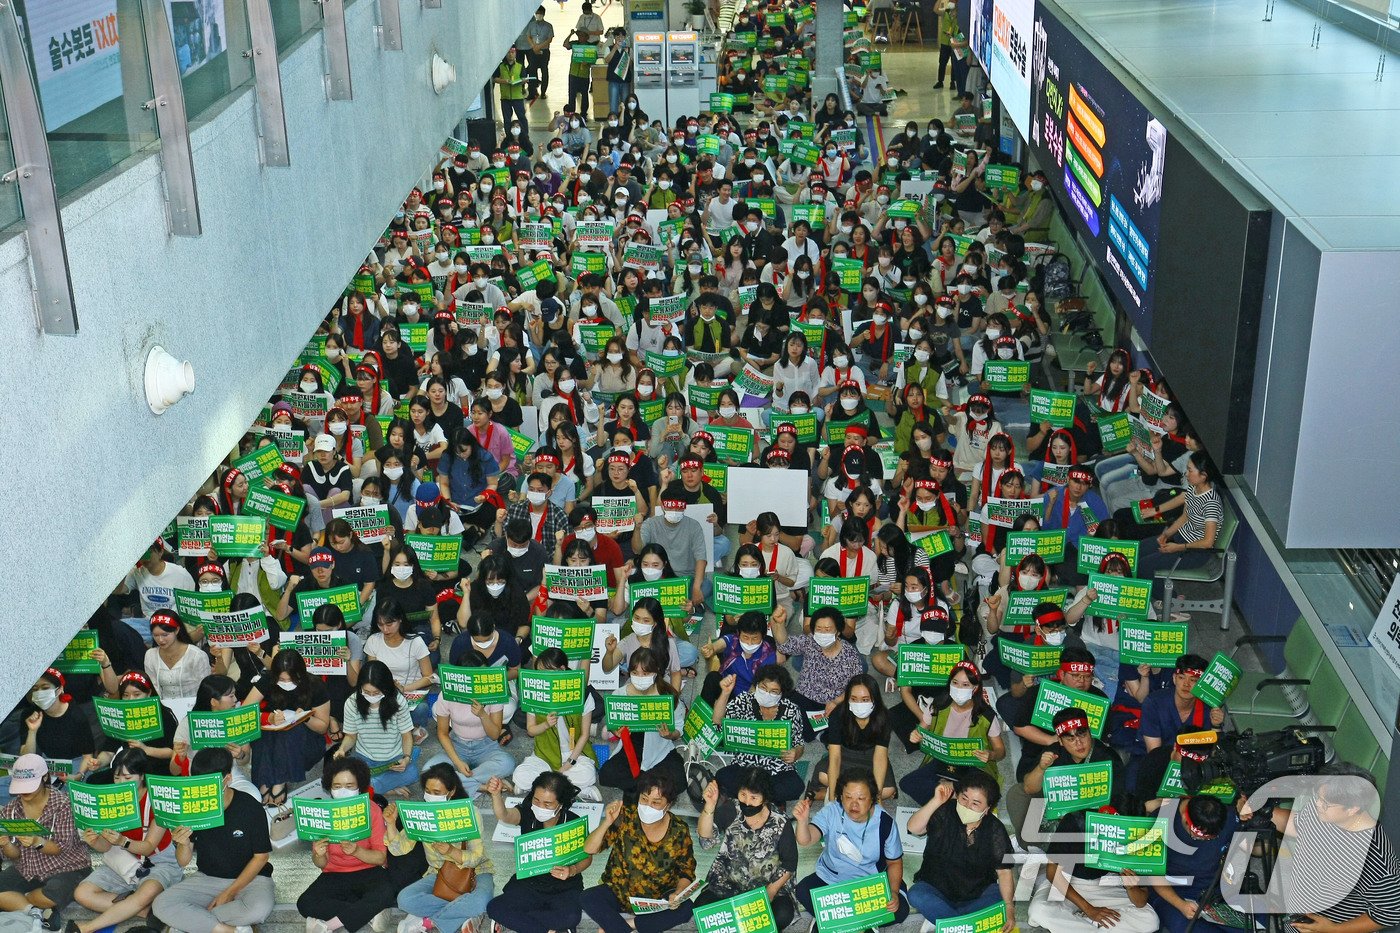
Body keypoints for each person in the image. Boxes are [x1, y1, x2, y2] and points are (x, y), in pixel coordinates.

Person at [1252, 762, 1400, 932]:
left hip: (1332, 925)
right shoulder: (1328, 815)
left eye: (1325, 803)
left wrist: (1332, 929)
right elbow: (1296, 824)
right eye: (1318, 798)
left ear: (1353, 808)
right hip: (1306, 910)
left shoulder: (1377, 864)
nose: (1317, 805)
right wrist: (1256, 807)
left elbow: (1389, 914)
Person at [153, 748, 275, 933]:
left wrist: (229, 893)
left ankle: (193, 921)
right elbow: (183, 861)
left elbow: (261, 857)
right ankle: (229, 930)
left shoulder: (249, 807)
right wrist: (183, 843)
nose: (202, 789)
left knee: (258, 909)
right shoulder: (192, 807)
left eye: (208, 784)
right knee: (161, 904)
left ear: (227, 779)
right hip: (208, 878)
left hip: (252, 879)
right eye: (198, 783)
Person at [71, 748, 185, 933]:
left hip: (159, 862)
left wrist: (123, 841)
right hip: (122, 860)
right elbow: (105, 846)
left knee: (145, 892)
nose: (121, 783)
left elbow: (148, 847)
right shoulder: (112, 800)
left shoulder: (156, 800)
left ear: (142, 776)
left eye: (127, 778)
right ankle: (144, 910)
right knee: (82, 893)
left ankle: (87, 928)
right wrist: (93, 841)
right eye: (117, 778)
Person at [581, 768, 698, 933]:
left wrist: (677, 894)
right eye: (644, 799)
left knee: (686, 908)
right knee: (588, 897)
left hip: (658, 898)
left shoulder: (679, 830)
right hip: (619, 892)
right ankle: (625, 928)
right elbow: (589, 848)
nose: (648, 806)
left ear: (668, 805)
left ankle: (626, 925)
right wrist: (606, 822)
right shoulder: (626, 817)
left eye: (656, 802)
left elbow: (686, 871)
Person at [792, 768, 910, 926]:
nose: (854, 804)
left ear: (873, 799)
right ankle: (861, 924)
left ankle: (838, 921)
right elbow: (805, 840)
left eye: (861, 798)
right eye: (848, 797)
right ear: (841, 796)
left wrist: (894, 892)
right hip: (832, 879)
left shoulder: (885, 823)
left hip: (868, 885)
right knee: (802, 891)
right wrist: (802, 821)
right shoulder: (831, 811)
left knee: (900, 910)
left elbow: (894, 862)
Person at [905, 770, 1016, 930]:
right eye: (964, 798)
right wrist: (936, 801)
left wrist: (1009, 908)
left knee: (1002, 898)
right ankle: (963, 923)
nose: (967, 806)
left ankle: (948, 922)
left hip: (976, 893)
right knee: (916, 894)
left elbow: (1004, 872)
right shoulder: (944, 811)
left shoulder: (995, 829)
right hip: (936, 887)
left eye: (975, 803)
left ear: (987, 808)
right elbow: (913, 828)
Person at [485, 771, 594, 933]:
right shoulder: (528, 812)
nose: (540, 807)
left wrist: (572, 870)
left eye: (548, 804)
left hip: (564, 887)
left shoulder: (573, 822)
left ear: (561, 803)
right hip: (530, 884)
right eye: (536, 800)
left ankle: (526, 923)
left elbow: (587, 858)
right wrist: (495, 795)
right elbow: (505, 816)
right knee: (495, 907)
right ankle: (549, 930)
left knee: (571, 917)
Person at [393, 764, 497, 933]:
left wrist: (451, 851)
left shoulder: (469, 812)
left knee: (481, 902)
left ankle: (428, 922)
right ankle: (464, 913)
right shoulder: (422, 814)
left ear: (451, 791)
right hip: (439, 874)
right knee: (405, 899)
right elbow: (399, 849)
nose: (430, 796)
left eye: (437, 793)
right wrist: (391, 824)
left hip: (476, 872)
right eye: (428, 791)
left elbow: (476, 857)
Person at [296, 757, 396, 933]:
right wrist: (319, 855)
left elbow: (380, 857)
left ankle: (330, 924)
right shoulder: (322, 812)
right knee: (304, 904)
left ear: (359, 786)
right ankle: (368, 912)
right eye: (337, 786)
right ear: (330, 787)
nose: (343, 790)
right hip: (334, 875)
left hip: (368, 871)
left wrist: (356, 850)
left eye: (350, 786)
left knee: (388, 891)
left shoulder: (371, 809)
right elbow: (322, 864)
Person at [697, 769, 800, 931]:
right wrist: (709, 807)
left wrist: (770, 892)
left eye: (754, 798)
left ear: (765, 798)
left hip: (766, 886)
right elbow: (706, 840)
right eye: (743, 794)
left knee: (782, 914)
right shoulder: (732, 809)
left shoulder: (780, 822)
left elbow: (789, 863)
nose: (747, 802)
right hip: (729, 882)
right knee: (702, 908)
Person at [1027, 807, 1160, 933]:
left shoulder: (1139, 836)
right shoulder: (1076, 821)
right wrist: (1089, 910)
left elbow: (1140, 901)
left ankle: (1080, 923)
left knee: (1150, 920)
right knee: (1038, 910)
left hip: (1105, 885)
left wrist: (1132, 888)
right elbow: (1053, 873)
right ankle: (1093, 923)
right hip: (1068, 882)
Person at [0, 755, 89, 925]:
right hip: (28, 867)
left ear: (45, 777)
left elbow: (60, 848)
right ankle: (34, 911)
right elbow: (14, 856)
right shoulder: (11, 810)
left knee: (55, 892)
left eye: (30, 785)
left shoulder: (63, 804)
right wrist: (5, 844)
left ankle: (19, 902)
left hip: (67, 865)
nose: (24, 791)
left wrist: (36, 841)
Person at [1146, 795, 1237, 933]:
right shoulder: (1160, 820)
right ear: (1184, 818)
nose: (1203, 841)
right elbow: (1155, 876)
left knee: (1254, 921)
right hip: (1173, 892)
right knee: (1189, 928)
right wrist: (1181, 904)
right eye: (1198, 836)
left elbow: (1258, 849)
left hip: (1213, 890)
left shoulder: (1226, 815)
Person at [334, 659, 419, 796]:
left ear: (386, 688)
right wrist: (342, 749)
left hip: (393, 758)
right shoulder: (351, 703)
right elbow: (351, 736)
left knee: (413, 773)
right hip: (364, 757)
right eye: (366, 692)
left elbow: (406, 735)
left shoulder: (398, 701)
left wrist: (406, 757)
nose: (371, 696)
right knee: (340, 778)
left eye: (376, 693)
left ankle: (372, 787)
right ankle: (385, 787)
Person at [496, 46, 528, 133]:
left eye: (513, 52)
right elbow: (495, 79)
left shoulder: (520, 66)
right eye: (509, 52)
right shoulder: (501, 66)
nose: (511, 54)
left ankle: (525, 136)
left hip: (517, 97)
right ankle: (508, 137)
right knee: (507, 119)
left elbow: (524, 78)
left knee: (521, 117)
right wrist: (505, 81)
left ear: (516, 53)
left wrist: (522, 81)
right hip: (505, 97)